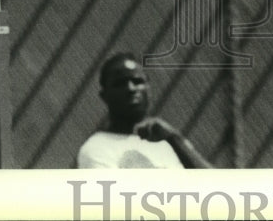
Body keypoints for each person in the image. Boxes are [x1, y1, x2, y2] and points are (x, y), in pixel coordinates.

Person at [76, 52, 211, 168]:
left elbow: (219, 186)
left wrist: (174, 139)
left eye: (137, 81)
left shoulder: (169, 141)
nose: (131, 88)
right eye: (120, 83)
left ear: (148, 89)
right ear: (104, 96)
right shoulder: (97, 148)